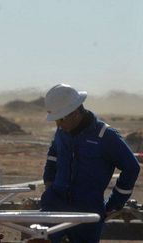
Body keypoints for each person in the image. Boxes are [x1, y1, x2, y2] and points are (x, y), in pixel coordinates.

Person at [41, 84, 140, 243]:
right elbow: (53, 155)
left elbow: (131, 167)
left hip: (87, 211)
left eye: (61, 119)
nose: (58, 125)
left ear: (75, 113)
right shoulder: (61, 132)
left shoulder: (105, 136)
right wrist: (49, 183)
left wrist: (114, 204)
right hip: (54, 206)